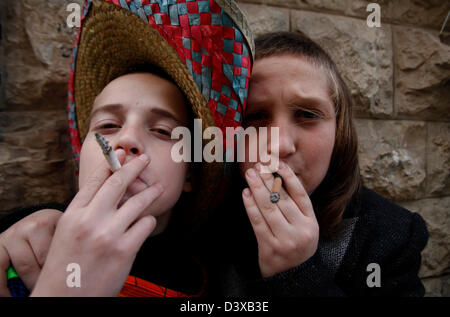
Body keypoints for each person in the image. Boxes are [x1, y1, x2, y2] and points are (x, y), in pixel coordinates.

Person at [0, 0, 254, 296]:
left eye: (162, 131)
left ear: (190, 174)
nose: (127, 140)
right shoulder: (20, 242)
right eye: (108, 126)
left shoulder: (211, 281)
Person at [206, 31, 429, 296]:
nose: (280, 145)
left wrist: (300, 275)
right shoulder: (200, 223)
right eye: (255, 117)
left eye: (308, 114)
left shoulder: (389, 236)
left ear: (339, 131)